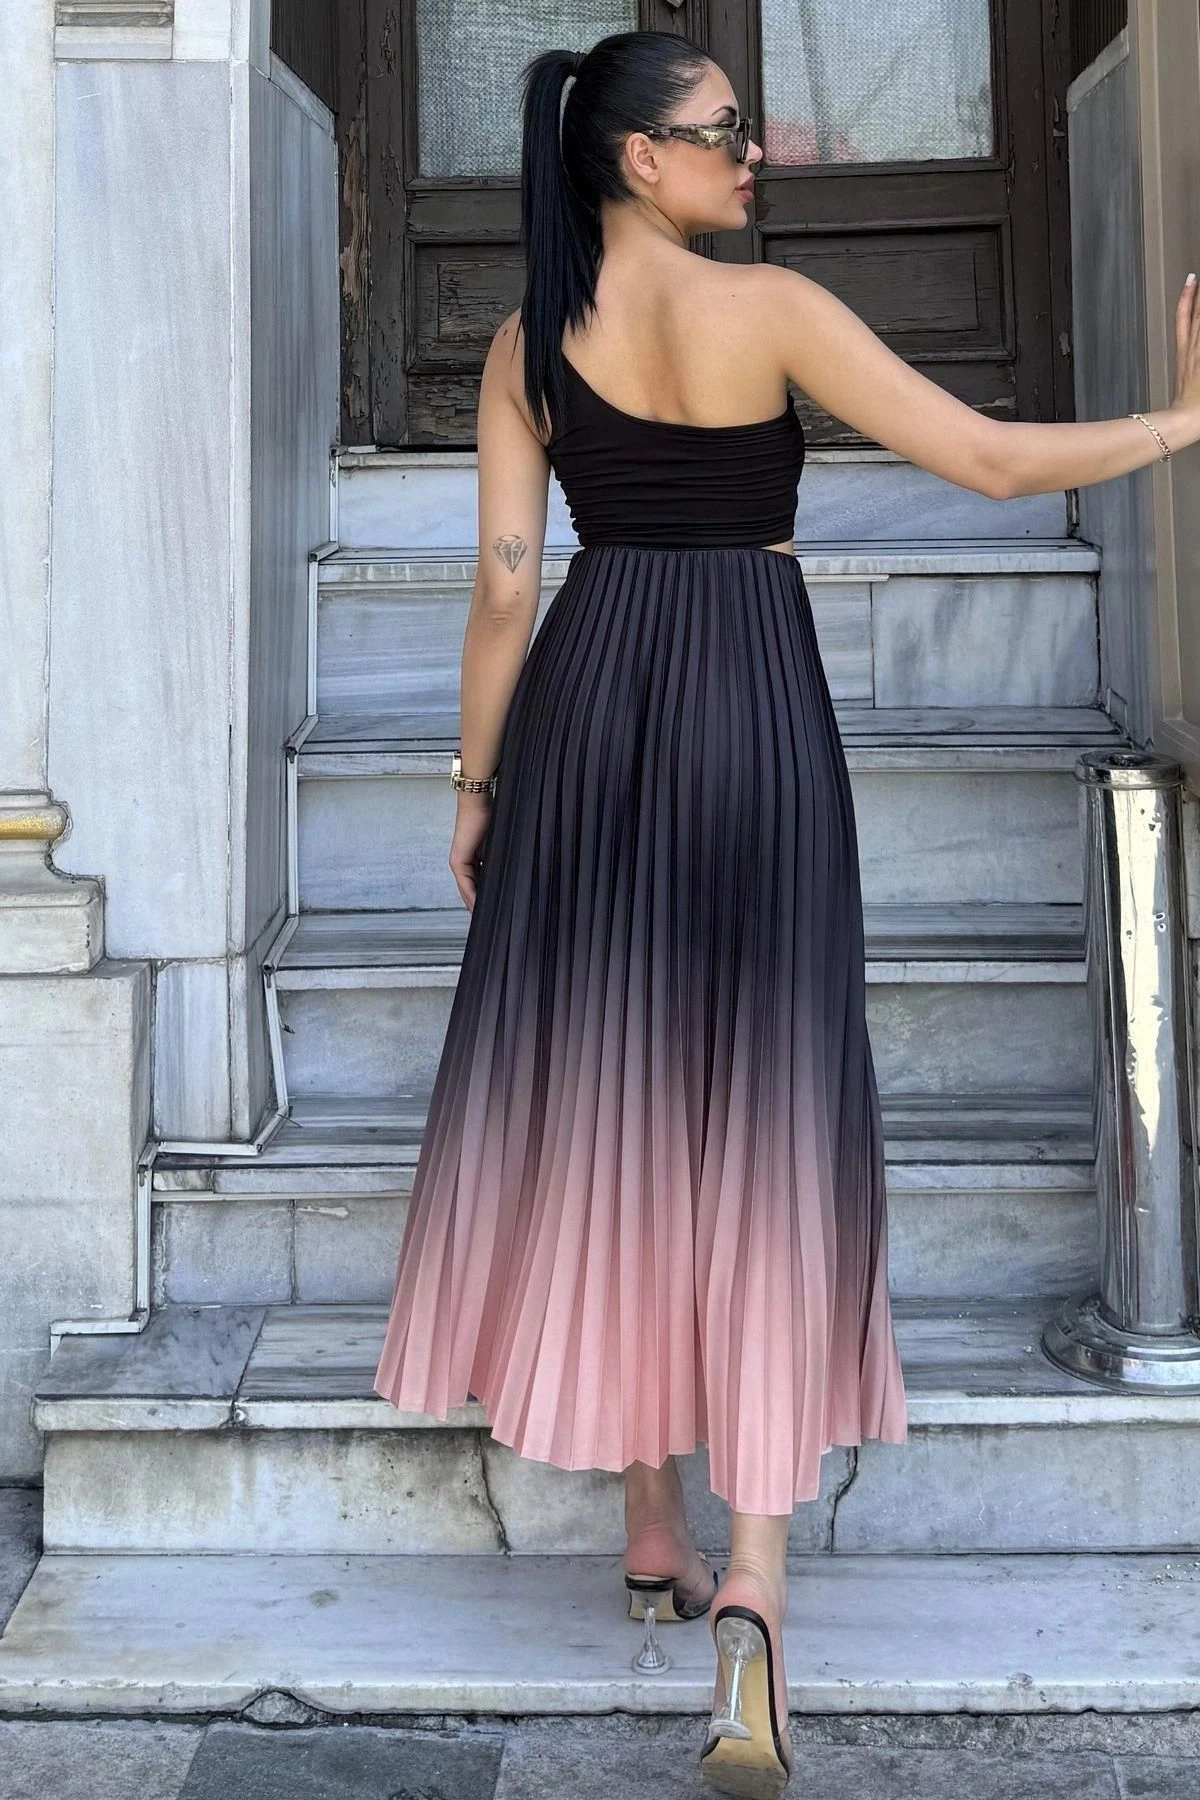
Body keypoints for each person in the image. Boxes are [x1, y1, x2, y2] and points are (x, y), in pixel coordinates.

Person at [374, 30, 1200, 1796]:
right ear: (638, 158)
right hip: (748, 706)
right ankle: (753, 1581)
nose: (756, 155)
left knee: (615, 1104)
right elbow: (989, 463)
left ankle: (650, 1527)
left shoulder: (528, 340)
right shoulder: (768, 311)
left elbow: (507, 588)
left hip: (589, 713)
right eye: (725, 131)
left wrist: (473, 787)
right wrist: (1183, 422)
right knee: (761, 1112)